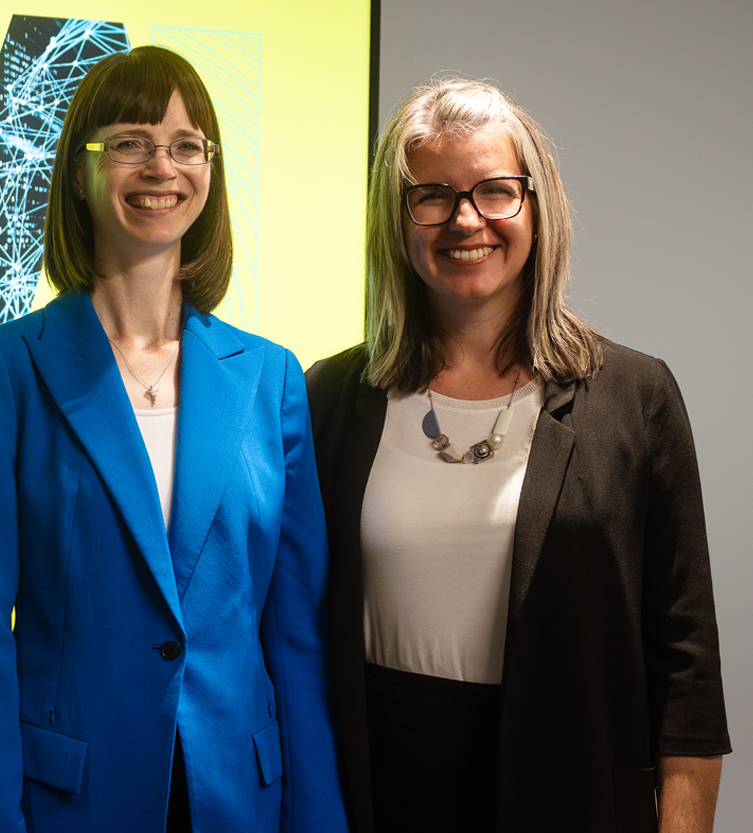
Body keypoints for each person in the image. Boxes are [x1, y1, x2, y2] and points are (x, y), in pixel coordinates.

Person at [0, 45, 347, 832]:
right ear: (81, 172)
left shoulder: (271, 378)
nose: (162, 166)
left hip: (243, 797)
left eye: (185, 145)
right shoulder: (4, 371)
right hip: (73, 800)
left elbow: (296, 638)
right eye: (130, 142)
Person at [305, 77, 730, 833]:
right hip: (374, 788)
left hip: (569, 785)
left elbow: (687, 669)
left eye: (495, 190)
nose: (466, 219)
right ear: (397, 222)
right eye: (431, 195)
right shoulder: (331, 397)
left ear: (537, 206)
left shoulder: (635, 398)